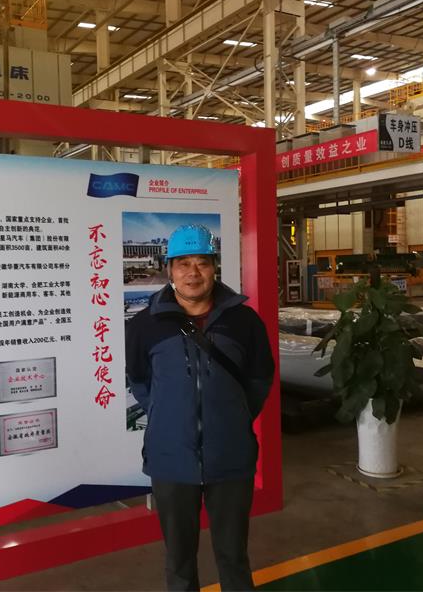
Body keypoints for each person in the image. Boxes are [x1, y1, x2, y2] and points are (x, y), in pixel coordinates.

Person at [125, 224, 275, 591]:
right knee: (179, 560)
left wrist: (231, 418)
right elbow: (139, 380)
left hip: (231, 457)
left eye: (202, 263)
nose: (193, 273)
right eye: (183, 263)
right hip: (171, 459)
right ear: (169, 269)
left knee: (233, 555)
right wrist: (169, 416)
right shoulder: (145, 324)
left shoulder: (244, 321)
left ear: (214, 267)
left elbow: (259, 378)